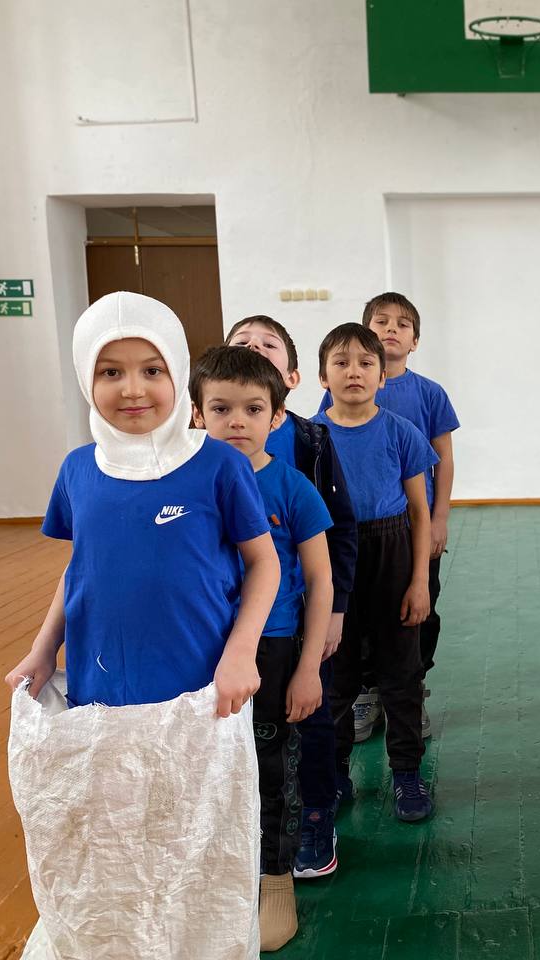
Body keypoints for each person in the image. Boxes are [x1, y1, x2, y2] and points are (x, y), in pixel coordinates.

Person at [4, 292, 279, 945]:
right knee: (119, 835)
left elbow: (264, 565)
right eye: (111, 371)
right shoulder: (79, 470)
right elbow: (81, 570)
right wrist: (43, 649)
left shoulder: (217, 464)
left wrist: (241, 652)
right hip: (104, 693)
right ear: (86, 379)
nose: (132, 388)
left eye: (152, 370)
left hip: (199, 694)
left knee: (197, 834)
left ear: (178, 374)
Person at [191, 346, 333, 951]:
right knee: (204, 766)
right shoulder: (184, 481)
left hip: (272, 648)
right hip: (200, 648)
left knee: (268, 766)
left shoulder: (292, 486)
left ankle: (275, 878)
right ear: (197, 413)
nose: (237, 421)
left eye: (253, 409)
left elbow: (321, 579)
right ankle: (214, 878)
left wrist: (308, 667)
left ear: (277, 416)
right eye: (221, 408)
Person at [223, 314, 359, 880]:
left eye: (268, 344)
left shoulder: (309, 444)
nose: (255, 349)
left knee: (309, 717)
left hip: (292, 621)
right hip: (220, 629)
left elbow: (337, 536)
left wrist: (335, 611)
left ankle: (315, 816)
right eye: (242, 343)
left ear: (290, 381)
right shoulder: (197, 459)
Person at [317, 294, 458, 743]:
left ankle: (411, 688)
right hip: (347, 534)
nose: (392, 328)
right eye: (382, 321)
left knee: (416, 611)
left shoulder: (428, 395)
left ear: (415, 341)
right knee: (353, 621)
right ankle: (366, 691)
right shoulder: (332, 405)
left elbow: (443, 459)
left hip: (407, 528)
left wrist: (439, 518)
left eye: (403, 324)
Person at [314, 323, 437, 822]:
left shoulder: (401, 432)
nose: (354, 372)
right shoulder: (307, 438)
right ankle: (335, 771)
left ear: (382, 377)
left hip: (392, 553)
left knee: (400, 672)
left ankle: (406, 773)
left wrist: (419, 580)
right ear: (322, 376)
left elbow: (420, 512)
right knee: (336, 674)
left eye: (366, 363)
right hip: (330, 557)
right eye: (341, 363)